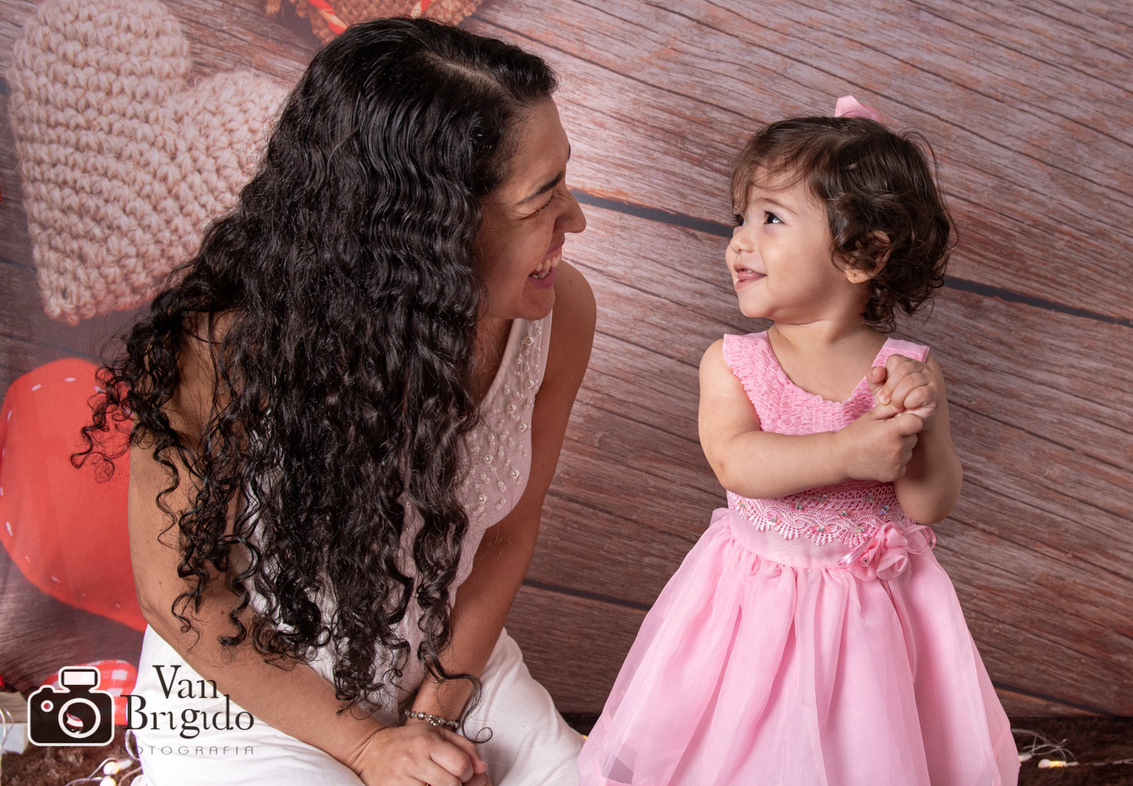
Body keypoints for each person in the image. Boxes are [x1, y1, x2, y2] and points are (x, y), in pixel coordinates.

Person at [80, 17, 593, 786]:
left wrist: (430, 717)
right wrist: (363, 746)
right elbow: (181, 592)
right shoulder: (222, 346)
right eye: (542, 198)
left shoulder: (559, 312)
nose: (576, 219)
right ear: (427, 230)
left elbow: (506, 541)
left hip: (445, 669)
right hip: (246, 689)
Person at [578, 97, 1019, 785]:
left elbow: (930, 505)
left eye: (771, 219)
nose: (739, 242)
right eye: (740, 218)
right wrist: (846, 451)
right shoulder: (733, 362)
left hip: (870, 618)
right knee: (744, 748)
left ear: (860, 253)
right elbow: (736, 460)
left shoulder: (906, 368)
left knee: (864, 752)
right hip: (753, 608)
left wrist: (923, 425)